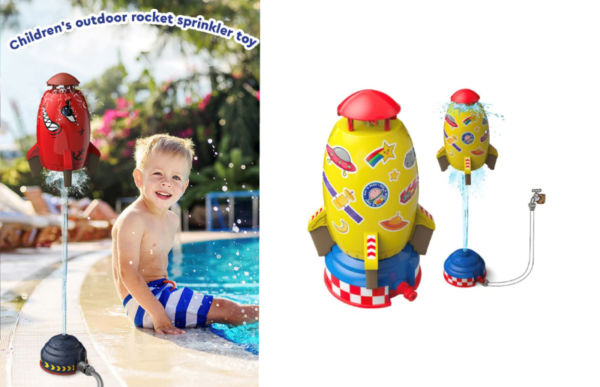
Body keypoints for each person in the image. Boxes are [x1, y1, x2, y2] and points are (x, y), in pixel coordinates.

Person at [111, 134, 258, 335]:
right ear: (139, 178)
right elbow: (127, 272)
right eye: (157, 174)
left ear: (184, 186)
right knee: (230, 310)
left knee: (221, 308)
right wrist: (158, 315)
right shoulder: (134, 218)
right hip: (143, 305)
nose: (166, 183)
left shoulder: (171, 220)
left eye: (176, 177)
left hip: (160, 294)